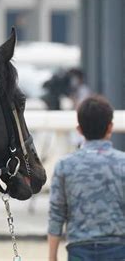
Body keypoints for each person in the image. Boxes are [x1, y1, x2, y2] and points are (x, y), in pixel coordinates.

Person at [48, 95, 125, 261]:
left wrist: (52, 257)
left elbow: (56, 214)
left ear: (79, 130)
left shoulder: (64, 165)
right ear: (110, 127)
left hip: (79, 249)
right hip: (118, 247)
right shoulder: (122, 163)